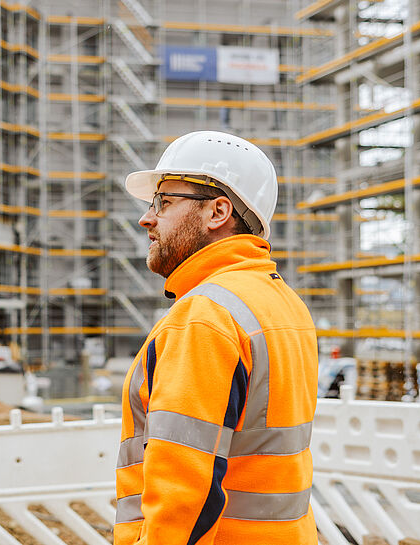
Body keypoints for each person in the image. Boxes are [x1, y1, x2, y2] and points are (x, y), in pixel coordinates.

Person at [115, 131, 319, 544]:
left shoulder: (205, 317)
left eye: (164, 202)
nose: (146, 218)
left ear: (217, 212)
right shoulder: (281, 302)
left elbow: (182, 496)